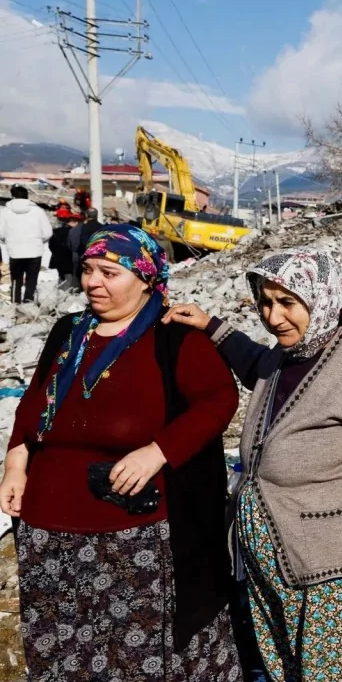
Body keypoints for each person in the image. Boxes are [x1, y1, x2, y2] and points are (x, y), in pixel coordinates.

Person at [163, 249, 342, 682]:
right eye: (265, 303)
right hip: (279, 559)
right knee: (289, 670)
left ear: (320, 297)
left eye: (288, 303)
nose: (273, 317)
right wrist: (212, 327)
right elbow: (260, 368)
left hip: (341, 567)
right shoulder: (288, 354)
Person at [0, 224, 242, 681]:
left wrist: (158, 451)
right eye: (89, 270)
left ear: (146, 277)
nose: (93, 282)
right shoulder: (69, 332)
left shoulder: (174, 338)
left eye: (110, 272)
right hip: (48, 531)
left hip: (136, 538)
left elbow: (218, 400)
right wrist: (16, 461)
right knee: (62, 649)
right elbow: (34, 404)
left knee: (137, 657)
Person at [0, 184, 52, 304]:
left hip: (14, 252)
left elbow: (1, 233)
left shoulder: (5, 212)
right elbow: (48, 232)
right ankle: (28, 304)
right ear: (27, 196)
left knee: (16, 280)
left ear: (12, 196)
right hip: (35, 251)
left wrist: (10, 241)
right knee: (31, 280)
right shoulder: (38, 211)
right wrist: (38, 241)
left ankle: (15, 303)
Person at [68, 207, 102, 284]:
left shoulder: (79, 228)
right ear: (97, 215)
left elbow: (73, 244)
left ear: (86, 215)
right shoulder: (102, 228)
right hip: (99, 256)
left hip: (82, 256)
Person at [48, 216, 78, 289]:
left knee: (61, 277)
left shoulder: (55, 231)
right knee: (69, 278)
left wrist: (56, 253)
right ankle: (64, 296)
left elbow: (50, 245)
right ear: (72, 223)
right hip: (69, 257)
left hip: (57, 258)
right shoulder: (73, 232)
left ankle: (59, 293)